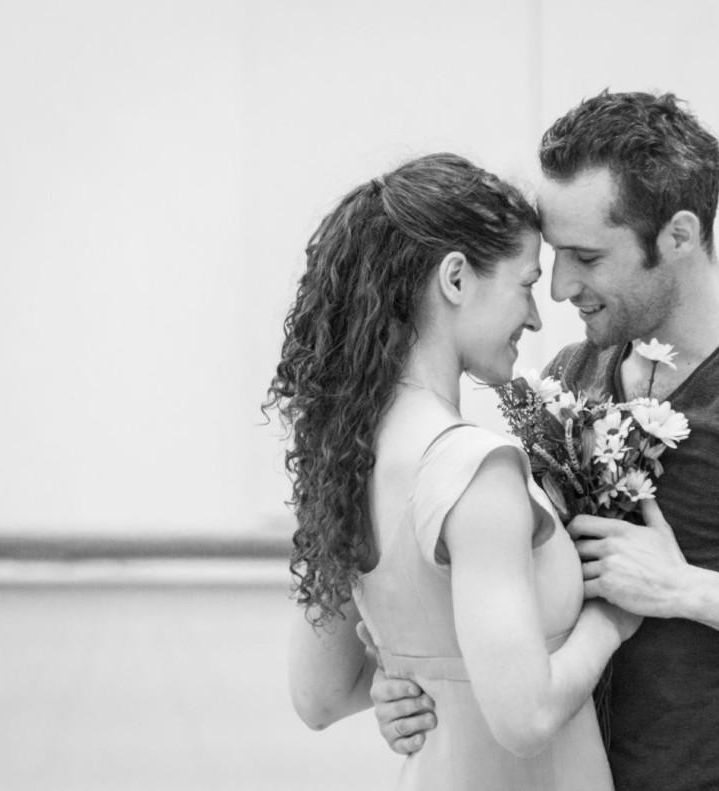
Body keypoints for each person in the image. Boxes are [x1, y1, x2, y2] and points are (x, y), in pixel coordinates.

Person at [367, 92, 719, 790]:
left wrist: (688, 589)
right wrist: (418, 682)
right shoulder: (569, 375)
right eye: (554, 256)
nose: (558, 287)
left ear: (677, 235)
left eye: (586, 256)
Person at [266, 152, 641, 790]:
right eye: (525, 284)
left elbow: (320, 695)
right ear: (456, 279)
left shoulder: (346, 454)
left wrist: (397, 683)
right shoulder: (475, 468)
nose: (536, 315)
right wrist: (612, 622)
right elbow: (526, 718)